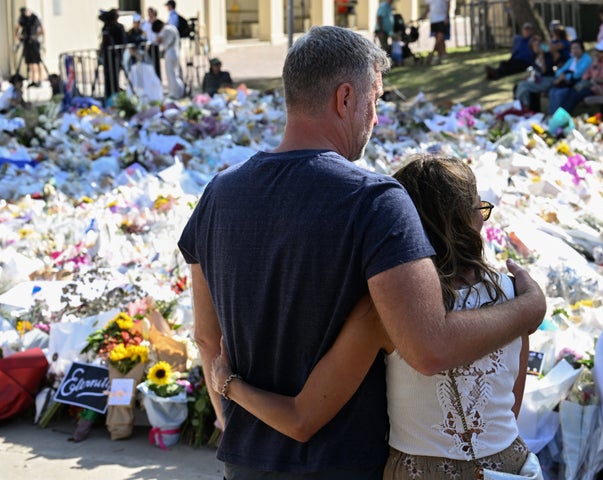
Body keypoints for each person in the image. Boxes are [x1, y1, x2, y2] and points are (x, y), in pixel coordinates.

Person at [177, 25, 545, 479]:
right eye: (376, 101)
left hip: (245, 459)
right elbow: (429, 346)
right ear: (345, 98)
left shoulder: (217, 195)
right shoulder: (374, 201)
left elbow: (207, 339)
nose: (375, 118)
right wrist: (529, 307)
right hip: (344, 462)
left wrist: (228, 412)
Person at [211, 154, 535, 478]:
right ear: (470, 219)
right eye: (481, 210)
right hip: (509, 465)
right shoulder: (516, 299)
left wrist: (229, 384)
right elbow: (510, 406)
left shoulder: (384, 311)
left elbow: (301, 419)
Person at [558, 39, 603, 115]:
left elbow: (598, 78)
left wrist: (595, 65)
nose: (598, 53)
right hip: (589, 86)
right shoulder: (598, 60)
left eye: (601, 51)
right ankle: (560, 115)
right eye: (597, 50)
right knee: (570, 93)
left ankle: (562, 116)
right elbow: (586, 74)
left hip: (598, 89)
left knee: (575, 95)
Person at [547, 39, 592, 114]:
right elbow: (560, 71)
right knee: (552, 92)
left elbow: (578, 74)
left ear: (582, 48)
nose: (574, 50)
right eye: (572, 48)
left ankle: (557, 117)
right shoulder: (572, 59)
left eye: (576, 48)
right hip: (565, 83)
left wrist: (564, 76)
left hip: (576, 85)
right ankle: (551, 115)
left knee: (559, 94)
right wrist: (562, 75)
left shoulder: (587, 59)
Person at [514, 35, 556, 112]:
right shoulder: (534, 56)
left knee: (524, 87)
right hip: (538, 79)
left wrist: (542, 57)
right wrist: (529, 76)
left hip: (548, 79)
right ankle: (522, 106)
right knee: (520, 85)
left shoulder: (548, 56)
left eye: (538, 45)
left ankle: (522, 106)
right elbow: (534, 70)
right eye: (535, 46)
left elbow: (544, 71)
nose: (537, 47)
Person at [98, 9, 128, 102]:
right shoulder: (108, 27)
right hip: (109, 56)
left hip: (115, 56)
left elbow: (123, 42)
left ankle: (114, 94)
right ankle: (110, 94)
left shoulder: (117, 27)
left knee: (114, 76)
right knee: (109, 76)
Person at [152, 19, 185, 99]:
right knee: (175, 73)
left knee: (171, 74)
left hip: (170, 52)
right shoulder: (173, 27)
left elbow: (157, 40)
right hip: (175, 51)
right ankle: (179, 91)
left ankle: (175, 93)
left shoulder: (165, 29)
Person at [14, 7, 44, 88]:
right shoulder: (23, 19)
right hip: (27, 42)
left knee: (37, 62)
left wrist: (34, 36)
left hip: (34, 43)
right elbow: (17, 28)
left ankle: (40, 80)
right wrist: (19, 37)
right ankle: (33, 80)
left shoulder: (34, 18)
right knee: (30, 63)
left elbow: (42, 30)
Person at [422, 0, 451, 66]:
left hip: (442, 19)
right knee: (438, 40)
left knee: (440, 37)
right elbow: (428, 7)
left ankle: (431, 54)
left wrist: (447, 16)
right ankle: (440, 57)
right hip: (433, 20)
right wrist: (423, 16)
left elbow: (448, 4)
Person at [141, 7, 162, 80]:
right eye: (148, 12)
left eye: (151, 12)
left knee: (156, 63)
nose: (149, 14)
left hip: (155, 45)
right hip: (148, 45)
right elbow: (143, 32)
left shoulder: (157, 22)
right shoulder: (145, 22)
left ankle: (158, 78)